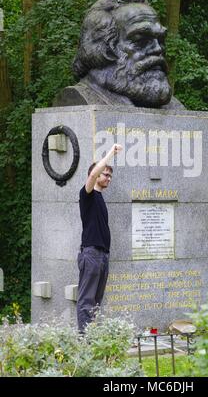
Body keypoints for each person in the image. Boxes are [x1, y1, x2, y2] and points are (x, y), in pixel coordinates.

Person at [54, 0, 183, 109]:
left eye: (160, 39)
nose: (158, 48)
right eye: (141, 40)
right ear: (104, 49)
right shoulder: (77, 100)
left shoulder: (174, 106)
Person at [77, 143, 122, 333]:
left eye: (110, 175)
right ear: (96, 175)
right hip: (91, 254)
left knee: (96, 301)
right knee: (86, 300)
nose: (108, 178)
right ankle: (84, 340)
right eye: (106, 174)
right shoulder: (86, 194)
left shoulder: (101, 198)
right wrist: (111, 153)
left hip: (103, 256)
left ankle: (92, 337)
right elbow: (93, 175)